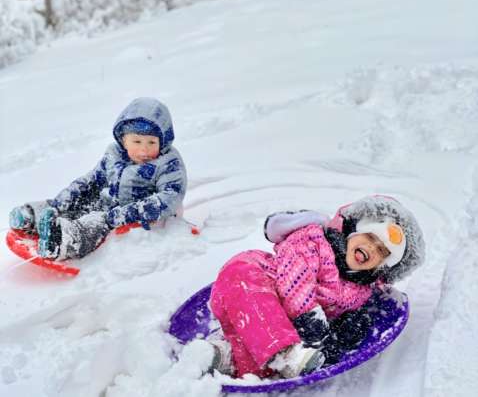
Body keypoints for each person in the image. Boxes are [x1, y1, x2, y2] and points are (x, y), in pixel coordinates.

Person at [205, 195, 425, 379]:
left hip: (270, 327)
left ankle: (222, 355)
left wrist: (339, 335)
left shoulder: (360, 291)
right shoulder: (314, 241)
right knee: (260, 303)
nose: (371, 248)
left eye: (381, 251)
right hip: (248, 282)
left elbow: (333, 326)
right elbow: (295, 281)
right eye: (369, 237)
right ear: (352, 232)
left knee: (268, 358)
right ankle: (286, 353)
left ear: (381, 268)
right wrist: (311, 321)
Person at [9, 97, 187, 260]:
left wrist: (124, 214)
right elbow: (92, 179)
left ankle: (61, 242)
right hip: (106, 202)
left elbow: (170, 197)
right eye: (137, 142)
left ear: (163, 142)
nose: (144, 150)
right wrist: (62, 200)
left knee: (94, 224)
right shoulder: (114, 155)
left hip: (128, 215)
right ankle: (33, 217)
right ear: (124, 141)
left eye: (152, 143)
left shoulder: (167, 163)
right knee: (78, 202)